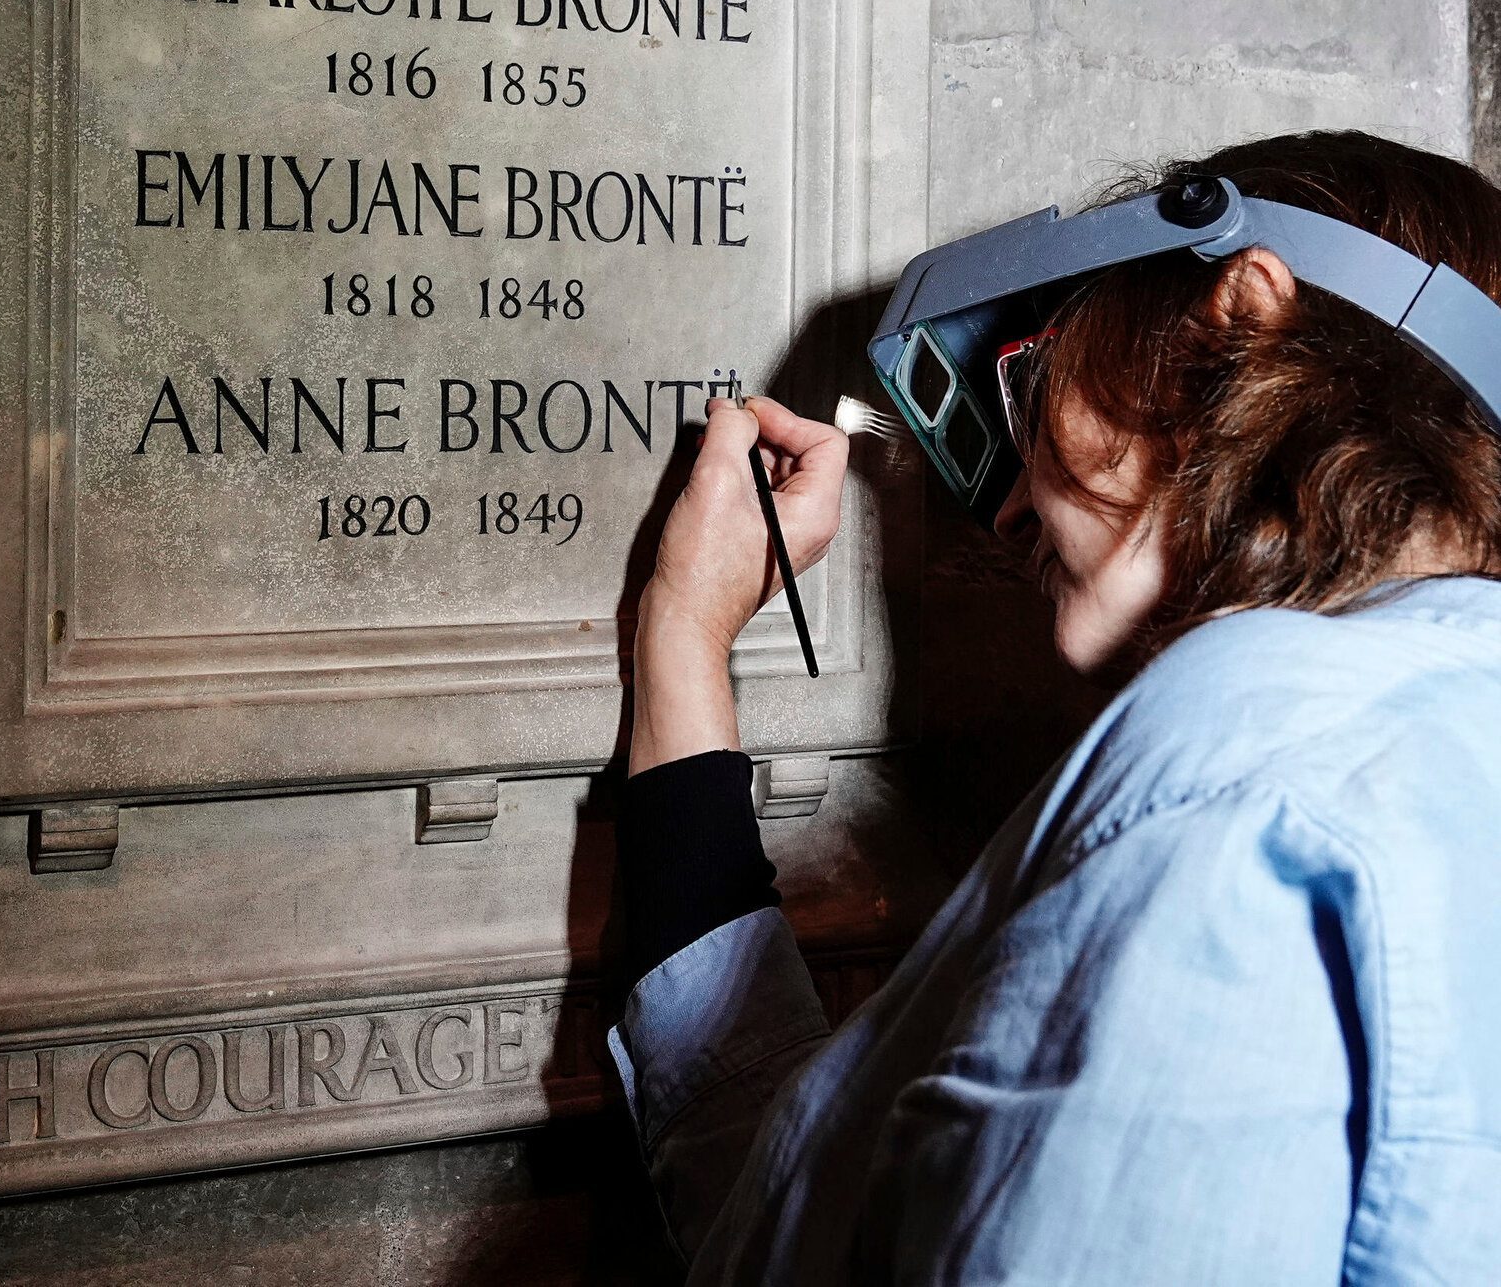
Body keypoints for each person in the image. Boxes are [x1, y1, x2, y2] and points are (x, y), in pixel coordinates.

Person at [609, 129, 1501, 1284]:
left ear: (1234, 322)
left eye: (1028, 379)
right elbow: (815, 1198)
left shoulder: (1234, 755)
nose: (1010, 517)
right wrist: (686, 632)